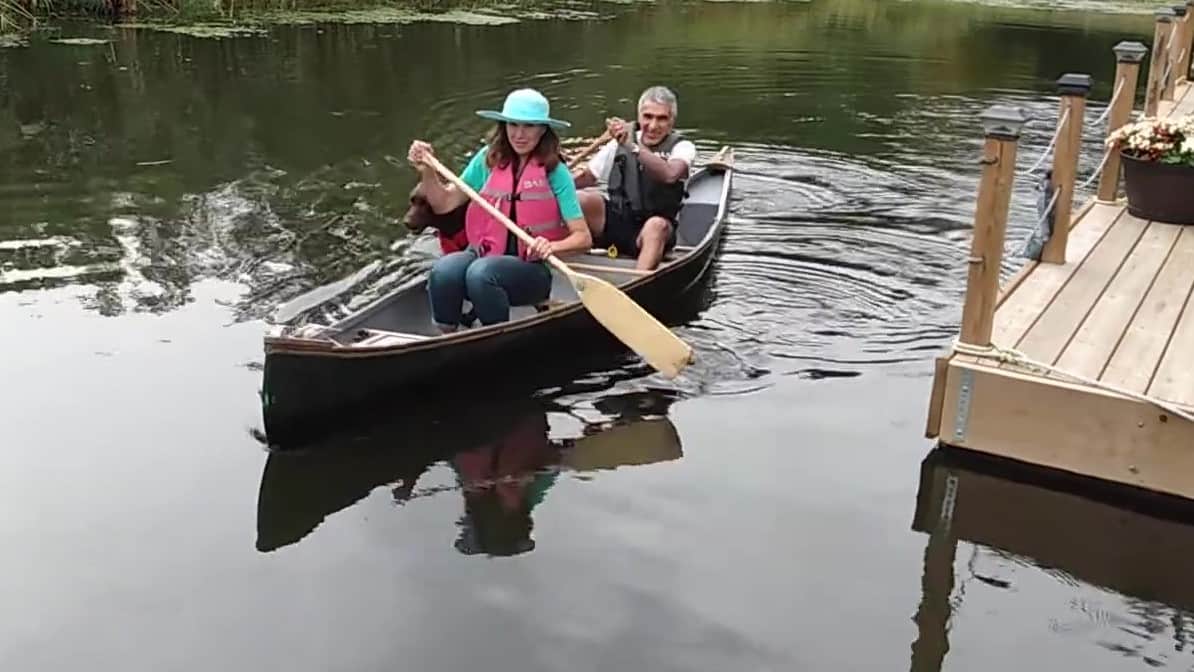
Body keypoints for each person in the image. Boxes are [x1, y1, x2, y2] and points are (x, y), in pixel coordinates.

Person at [407, 88, 592, 331]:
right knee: (443, 271)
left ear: (543, 129)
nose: (519, 134)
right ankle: (448, 335)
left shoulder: (556, 172)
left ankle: (494, 334)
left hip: (531, 269)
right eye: (512, 124)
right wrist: (427, 171)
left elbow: (583, 238)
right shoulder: (488, 159)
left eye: (529, 126)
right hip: (484, 253)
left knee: (481, 273)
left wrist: (551, 246)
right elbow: (445, 202)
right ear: (503, 126)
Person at [573, 85, 697, 270]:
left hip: (656, 231)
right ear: (639, 116)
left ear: (672, 121)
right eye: (648, 117)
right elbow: (588, 177)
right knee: (579, 199)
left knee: (656, 226)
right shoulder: (620, 142)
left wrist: (633, 147)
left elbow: (670, 175)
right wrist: (550, 186)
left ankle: (638, 281)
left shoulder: (683, 147)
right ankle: (562, 255)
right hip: (619, 222)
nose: (653, 126)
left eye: (662, 118)